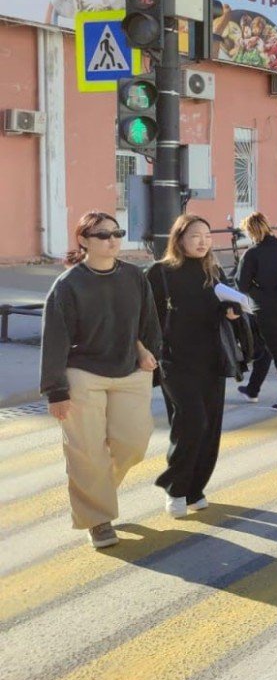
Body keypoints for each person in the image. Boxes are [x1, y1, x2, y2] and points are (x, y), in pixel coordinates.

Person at [40, 211, 160, 548]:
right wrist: (56, 391)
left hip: (129, 371)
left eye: (117, 233)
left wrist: (147, 351)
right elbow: (55, 339)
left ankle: (96, 492)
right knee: (86, 452)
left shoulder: (135, 276)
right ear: (84, 241)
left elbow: (148, 323)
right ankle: (98, 519)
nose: (112, 241)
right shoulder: (69, 284)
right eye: (103, 235)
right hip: (82, 373)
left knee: (134, 444)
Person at [147, 214, 241, 517]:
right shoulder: (160, 273)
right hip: (175, 361)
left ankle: (195, 489)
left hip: (212, 359)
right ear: (179, 240)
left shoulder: (213, 271)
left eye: (207, 235)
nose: (203, 242)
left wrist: (232, 312)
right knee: (192, 421)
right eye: (195, 236)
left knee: (210, 427)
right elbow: (148, 319)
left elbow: (230, 305)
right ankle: (175, 488)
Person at [236, 211, 277, 410]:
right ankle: (252, 389)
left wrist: (258, 288)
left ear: (251, 230)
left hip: (268, 311)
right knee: (269, 348)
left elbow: (242, 285)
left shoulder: (252, 253)